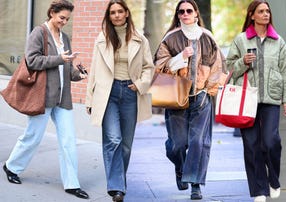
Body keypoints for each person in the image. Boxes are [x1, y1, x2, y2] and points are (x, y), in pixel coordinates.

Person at [2, 0, 89, 199]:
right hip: (42, 97)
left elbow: (65, 68)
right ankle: (12, 167)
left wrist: (78, 74)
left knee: (68, 141)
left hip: (62, 99)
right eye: (61, 18)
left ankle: (72, 184)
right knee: (32, 137)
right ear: (52, 13)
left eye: (67, 19)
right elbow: (32, 60)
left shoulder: (65, 38)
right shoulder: (38, 33)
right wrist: (60, 59)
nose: (64, 22)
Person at [153, 0, 226, 200]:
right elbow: (159, 67)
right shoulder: (170, 38)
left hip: (201, 97)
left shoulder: (207, 36)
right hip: (176, 98)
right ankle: (180, 167)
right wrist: (180, 57)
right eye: (181, 11)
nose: (185, 14)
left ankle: (195, 184)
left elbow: (218, 66)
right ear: (178, 15)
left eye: (189, 11)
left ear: (195, 14)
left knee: (198, 142)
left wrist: (208, 91)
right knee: (177, 144)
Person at [226, 1, 286, 201]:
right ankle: (259, 190)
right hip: (246, 99)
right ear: (252, 15)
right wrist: (242, 63)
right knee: (251, 145)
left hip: (272, 99)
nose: (266, 14)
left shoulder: (278, 41)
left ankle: (273, 180)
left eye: (267, 11)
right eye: (261, 11)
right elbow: (229, 69)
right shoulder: (241, 40)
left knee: (271, 141)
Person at [84, 0, 154, 201]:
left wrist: (140, 84)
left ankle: (119, 182)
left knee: (126, 144)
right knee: (113, 140)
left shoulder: (140, 39)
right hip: (108, 93)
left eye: (119, 11)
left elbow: (149, 67)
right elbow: (95, 70)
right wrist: (90, 99)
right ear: (109, 15)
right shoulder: (103, 38)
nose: (116, 15)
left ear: (126, 13)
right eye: (112, 12)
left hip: (131, 92)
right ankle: (117, 188)